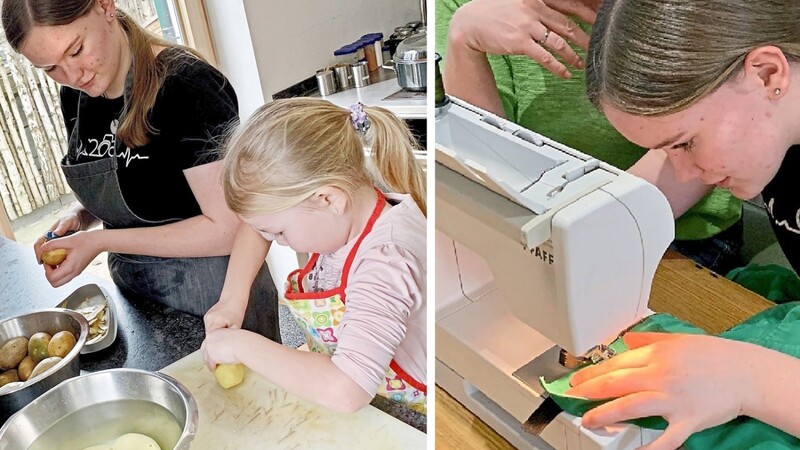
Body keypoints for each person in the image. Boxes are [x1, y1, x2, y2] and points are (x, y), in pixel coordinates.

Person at [564, 0, 800, 448]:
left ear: (768, 73)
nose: (686, 171)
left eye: (686, 143)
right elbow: (619, 216)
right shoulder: (756, 115)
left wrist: (750, 378)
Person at [1, 0, 280, 341]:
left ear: (105, 6)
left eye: (76, 51)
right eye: (50, 68)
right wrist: (82, 217)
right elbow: (144, 181)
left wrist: (100, 241)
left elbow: (230, 228)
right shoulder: (78, 96)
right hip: (141, 302)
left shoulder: (186, 86)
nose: (72, 76)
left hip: (218, 300)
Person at [436, 0, 744, 275]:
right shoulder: (465, 8)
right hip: (538, 228)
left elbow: (700, 145)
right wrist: (463, 40)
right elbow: (483, 161)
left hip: (678, 233)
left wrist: (570, 237)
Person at [201, 99, 427, 414]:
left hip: (408, 419)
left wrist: (240, 345)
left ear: (328, 198)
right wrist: (232, 299)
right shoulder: (347, 208)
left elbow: (347, 389)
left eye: (279, 232)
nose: (276, 241)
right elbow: (256, 229)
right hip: (366, 401)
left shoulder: (385, 263)